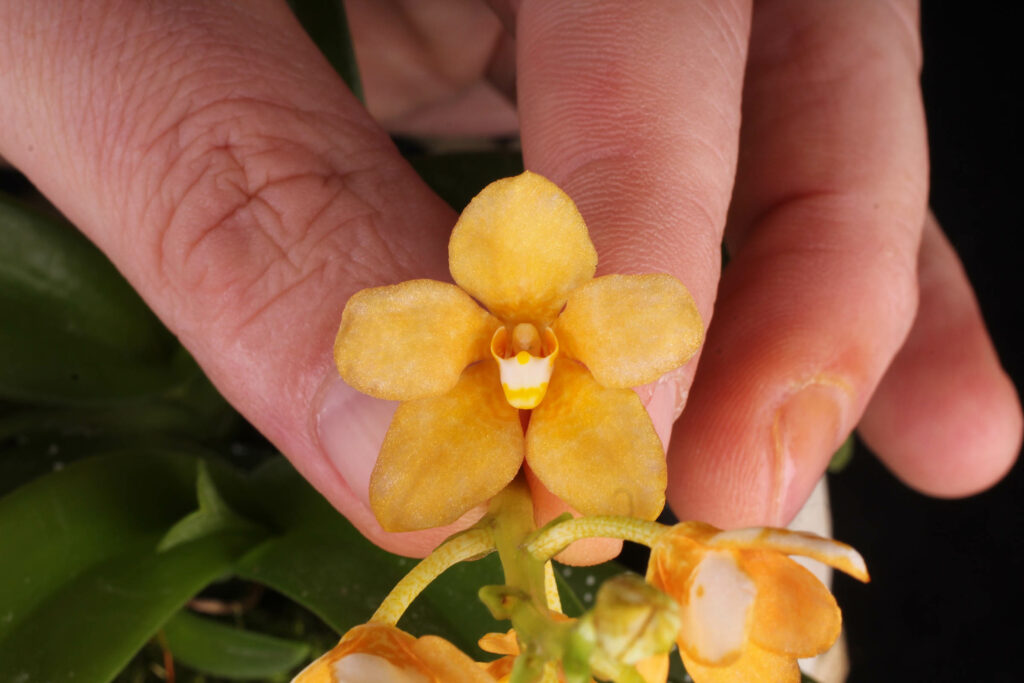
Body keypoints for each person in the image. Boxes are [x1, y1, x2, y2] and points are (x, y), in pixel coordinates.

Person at [0, 0, 1018, 563]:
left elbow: (637, 397)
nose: (525, 357)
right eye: (522, 348)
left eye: (527, 352)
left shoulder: (580, 365)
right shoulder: (499, 303)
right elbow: (509, 258)